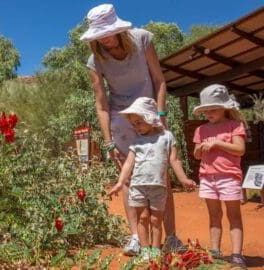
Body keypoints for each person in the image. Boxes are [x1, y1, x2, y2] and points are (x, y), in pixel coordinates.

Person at [80, 3, 181, 255]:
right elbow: (101, 103)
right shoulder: (95, 61)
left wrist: (160, 116)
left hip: (150, 113)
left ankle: (172, 237)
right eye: (98, 35)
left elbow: (159, 81)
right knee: (128, 178)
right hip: (120, 117)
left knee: (161, 175)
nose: (103, 39)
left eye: (107, 33)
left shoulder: (142, 40)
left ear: (119, 29)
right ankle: (136, 236)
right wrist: (108, 141)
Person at [108, 97, 196, 259]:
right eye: (134, 124)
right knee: (143, 218)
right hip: (138, 186)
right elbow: (128, 164)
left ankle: (155, 249)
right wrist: (120, 182)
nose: (136, 127)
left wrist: (183, 179)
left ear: (150, 117)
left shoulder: (167, 137)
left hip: (158, 187)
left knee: (156, 220)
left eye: (139, 122)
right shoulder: (136, 142)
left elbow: (174, 160)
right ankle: (145, 248)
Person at [192, 84, 247, 269]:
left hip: (229, 177)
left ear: (224, 108)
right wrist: (200, 148)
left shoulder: (235, 125)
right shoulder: (200, 130)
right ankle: (215, 251)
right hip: (208, 178)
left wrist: (217, 143)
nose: (208, 113)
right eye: (205, 110)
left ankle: (237, 255)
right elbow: (196, 155)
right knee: (214, 216)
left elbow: (240, 149)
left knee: (234, 216)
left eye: (213, 109)